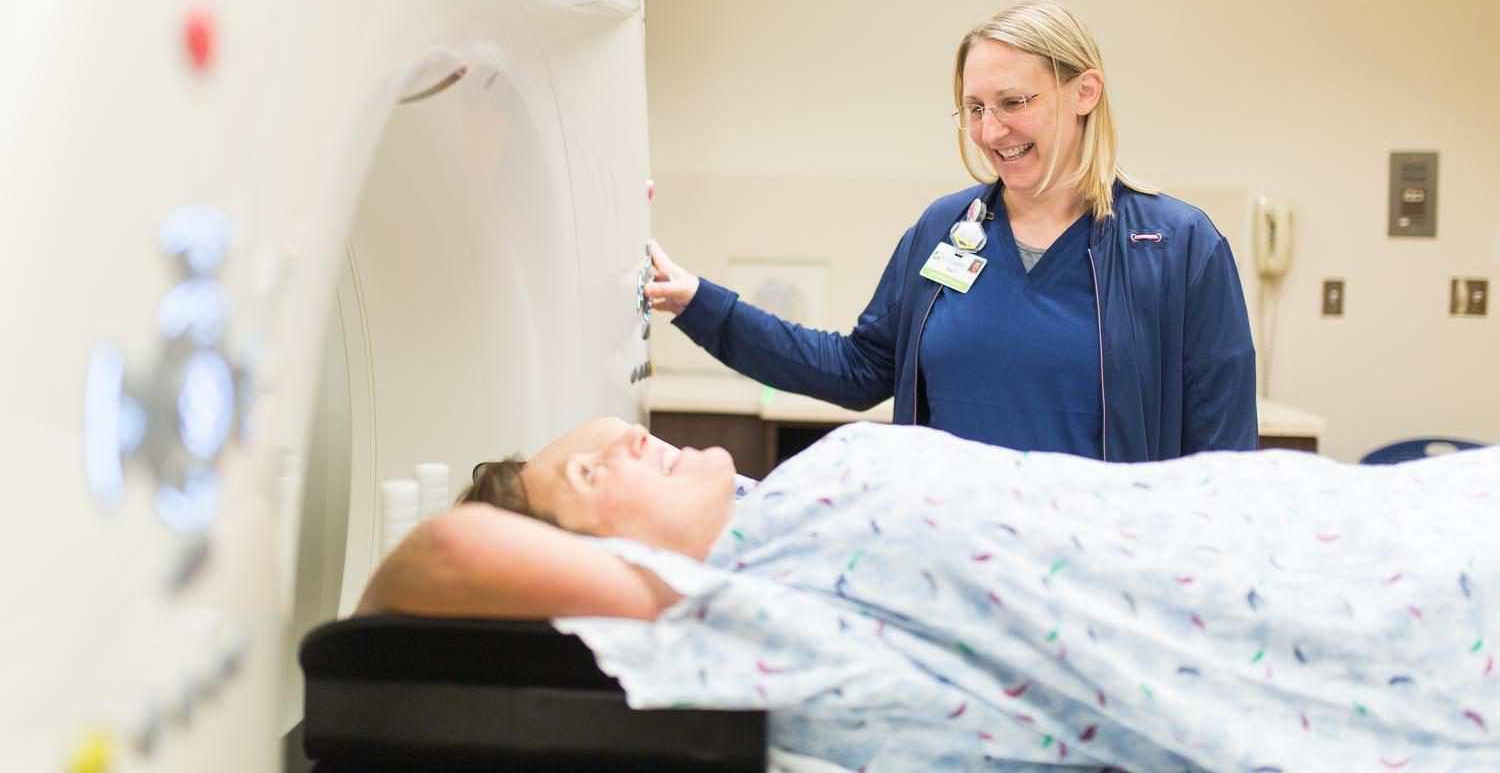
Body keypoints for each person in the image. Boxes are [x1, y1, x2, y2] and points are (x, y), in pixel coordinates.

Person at [360, 417, 1498, 772]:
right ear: (604, 575)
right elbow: (439, 560)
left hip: (1310, 526)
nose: (622, 435)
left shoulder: (782, 500)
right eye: (586, 473)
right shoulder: (750, 607)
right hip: (1391, 612)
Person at [645, 0, 1257, 461]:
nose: (991, 132)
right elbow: (859, 369)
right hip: (952, 567)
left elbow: (1225, 462)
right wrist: (703, 306)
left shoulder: (1177, 247)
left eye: (1013, 103)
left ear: (1084, 93)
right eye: (974, 109)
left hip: (1096, 582)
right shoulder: (946, 228)